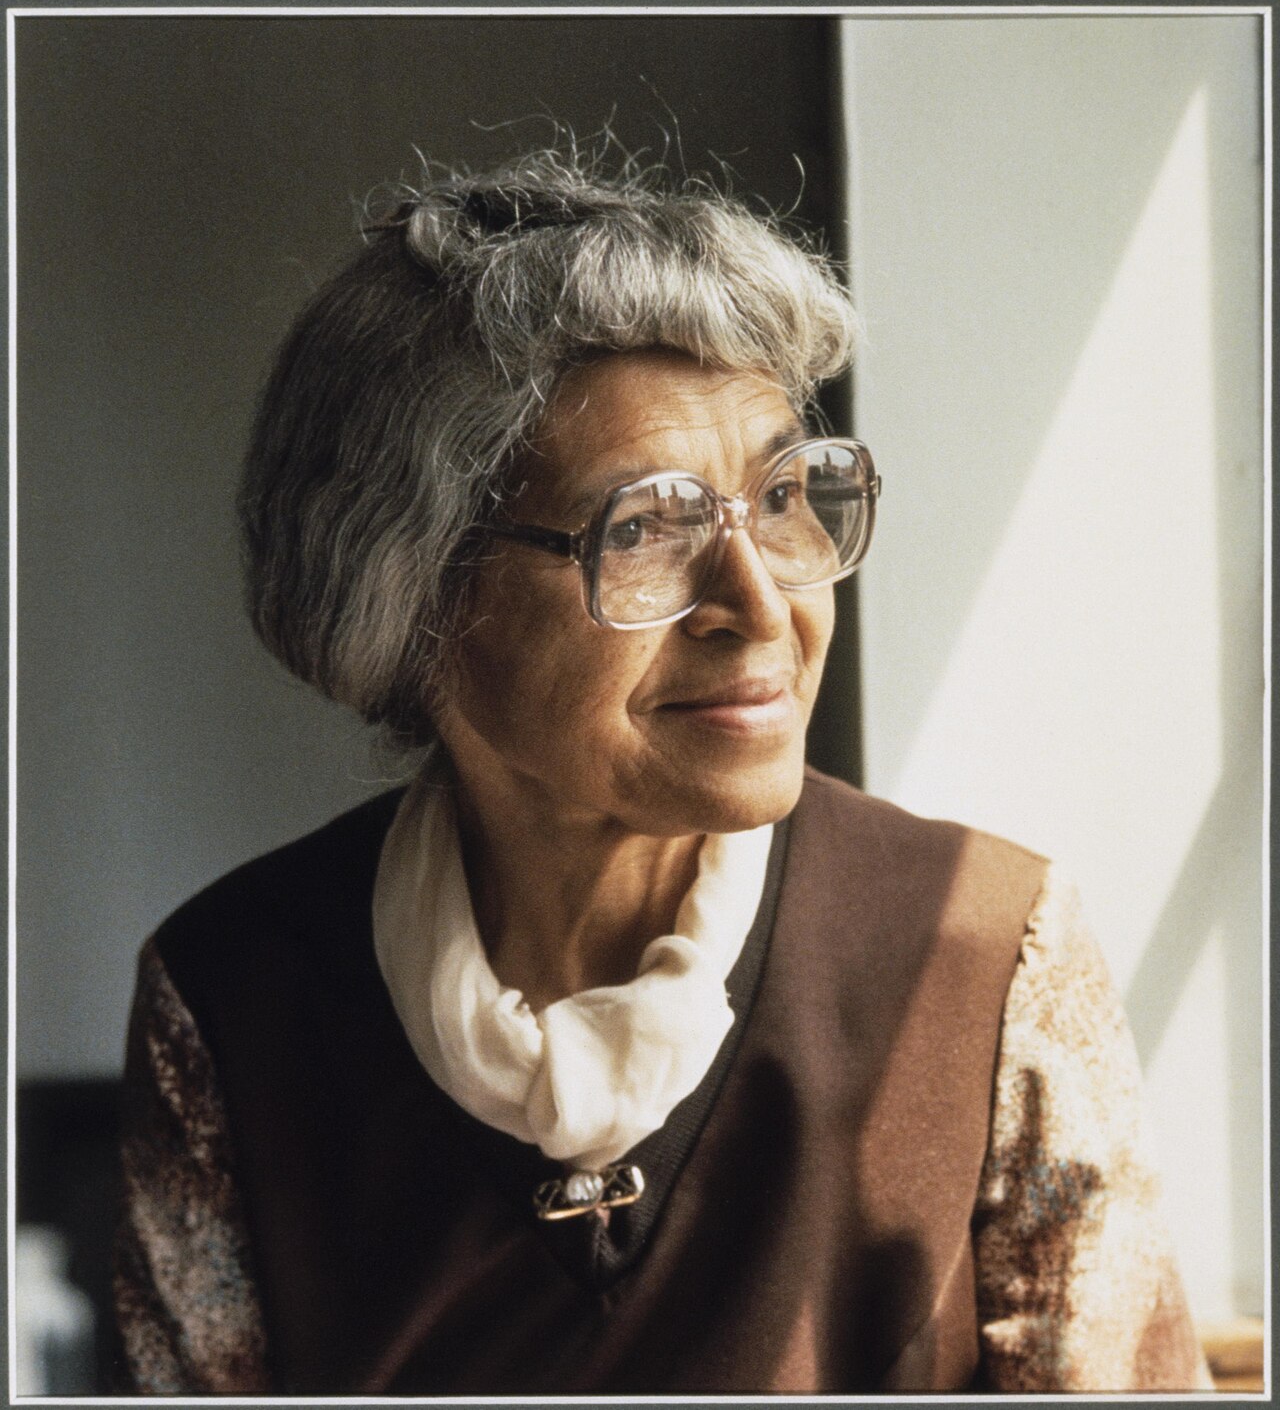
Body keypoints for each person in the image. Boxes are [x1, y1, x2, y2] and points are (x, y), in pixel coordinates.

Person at [112, 151, 1208, 1395]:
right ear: (412, 592)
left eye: (785, 495)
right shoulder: (232, 996)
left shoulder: (984, 947)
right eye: (643, 526)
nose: (761, 603)